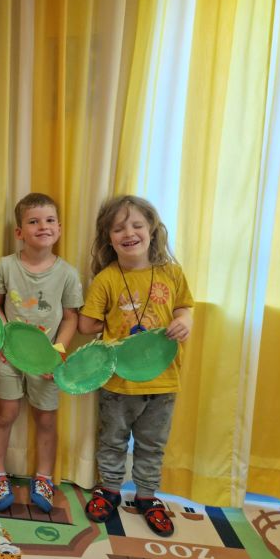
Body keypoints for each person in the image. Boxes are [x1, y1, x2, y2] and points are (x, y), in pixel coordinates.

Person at [79, 195, 193, 537]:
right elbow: (86, 325)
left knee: (152, 444)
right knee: (113, 439)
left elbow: (185, 307)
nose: (129, 233)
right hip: (119, 381)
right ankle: (109, 489)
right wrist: (107, 325)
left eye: (137, 225)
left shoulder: (172, 273)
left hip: (163, 379)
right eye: (119, 228)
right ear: (109, 238)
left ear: (152, 230)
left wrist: (184, 321)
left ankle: (147, 496)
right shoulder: (106, 279)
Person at [0, 193, 83, 513]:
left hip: (46, 362)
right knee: (6, 414)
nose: (43, 226)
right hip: (10, 356)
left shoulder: (68, 274)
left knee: (46, 418)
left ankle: (43, 476)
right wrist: (6, 340)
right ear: (19, 232)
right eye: (34, 221)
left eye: (50, 220)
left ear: (59, 228)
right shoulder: (5, 266)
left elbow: (70, 318)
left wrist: (57, 353)